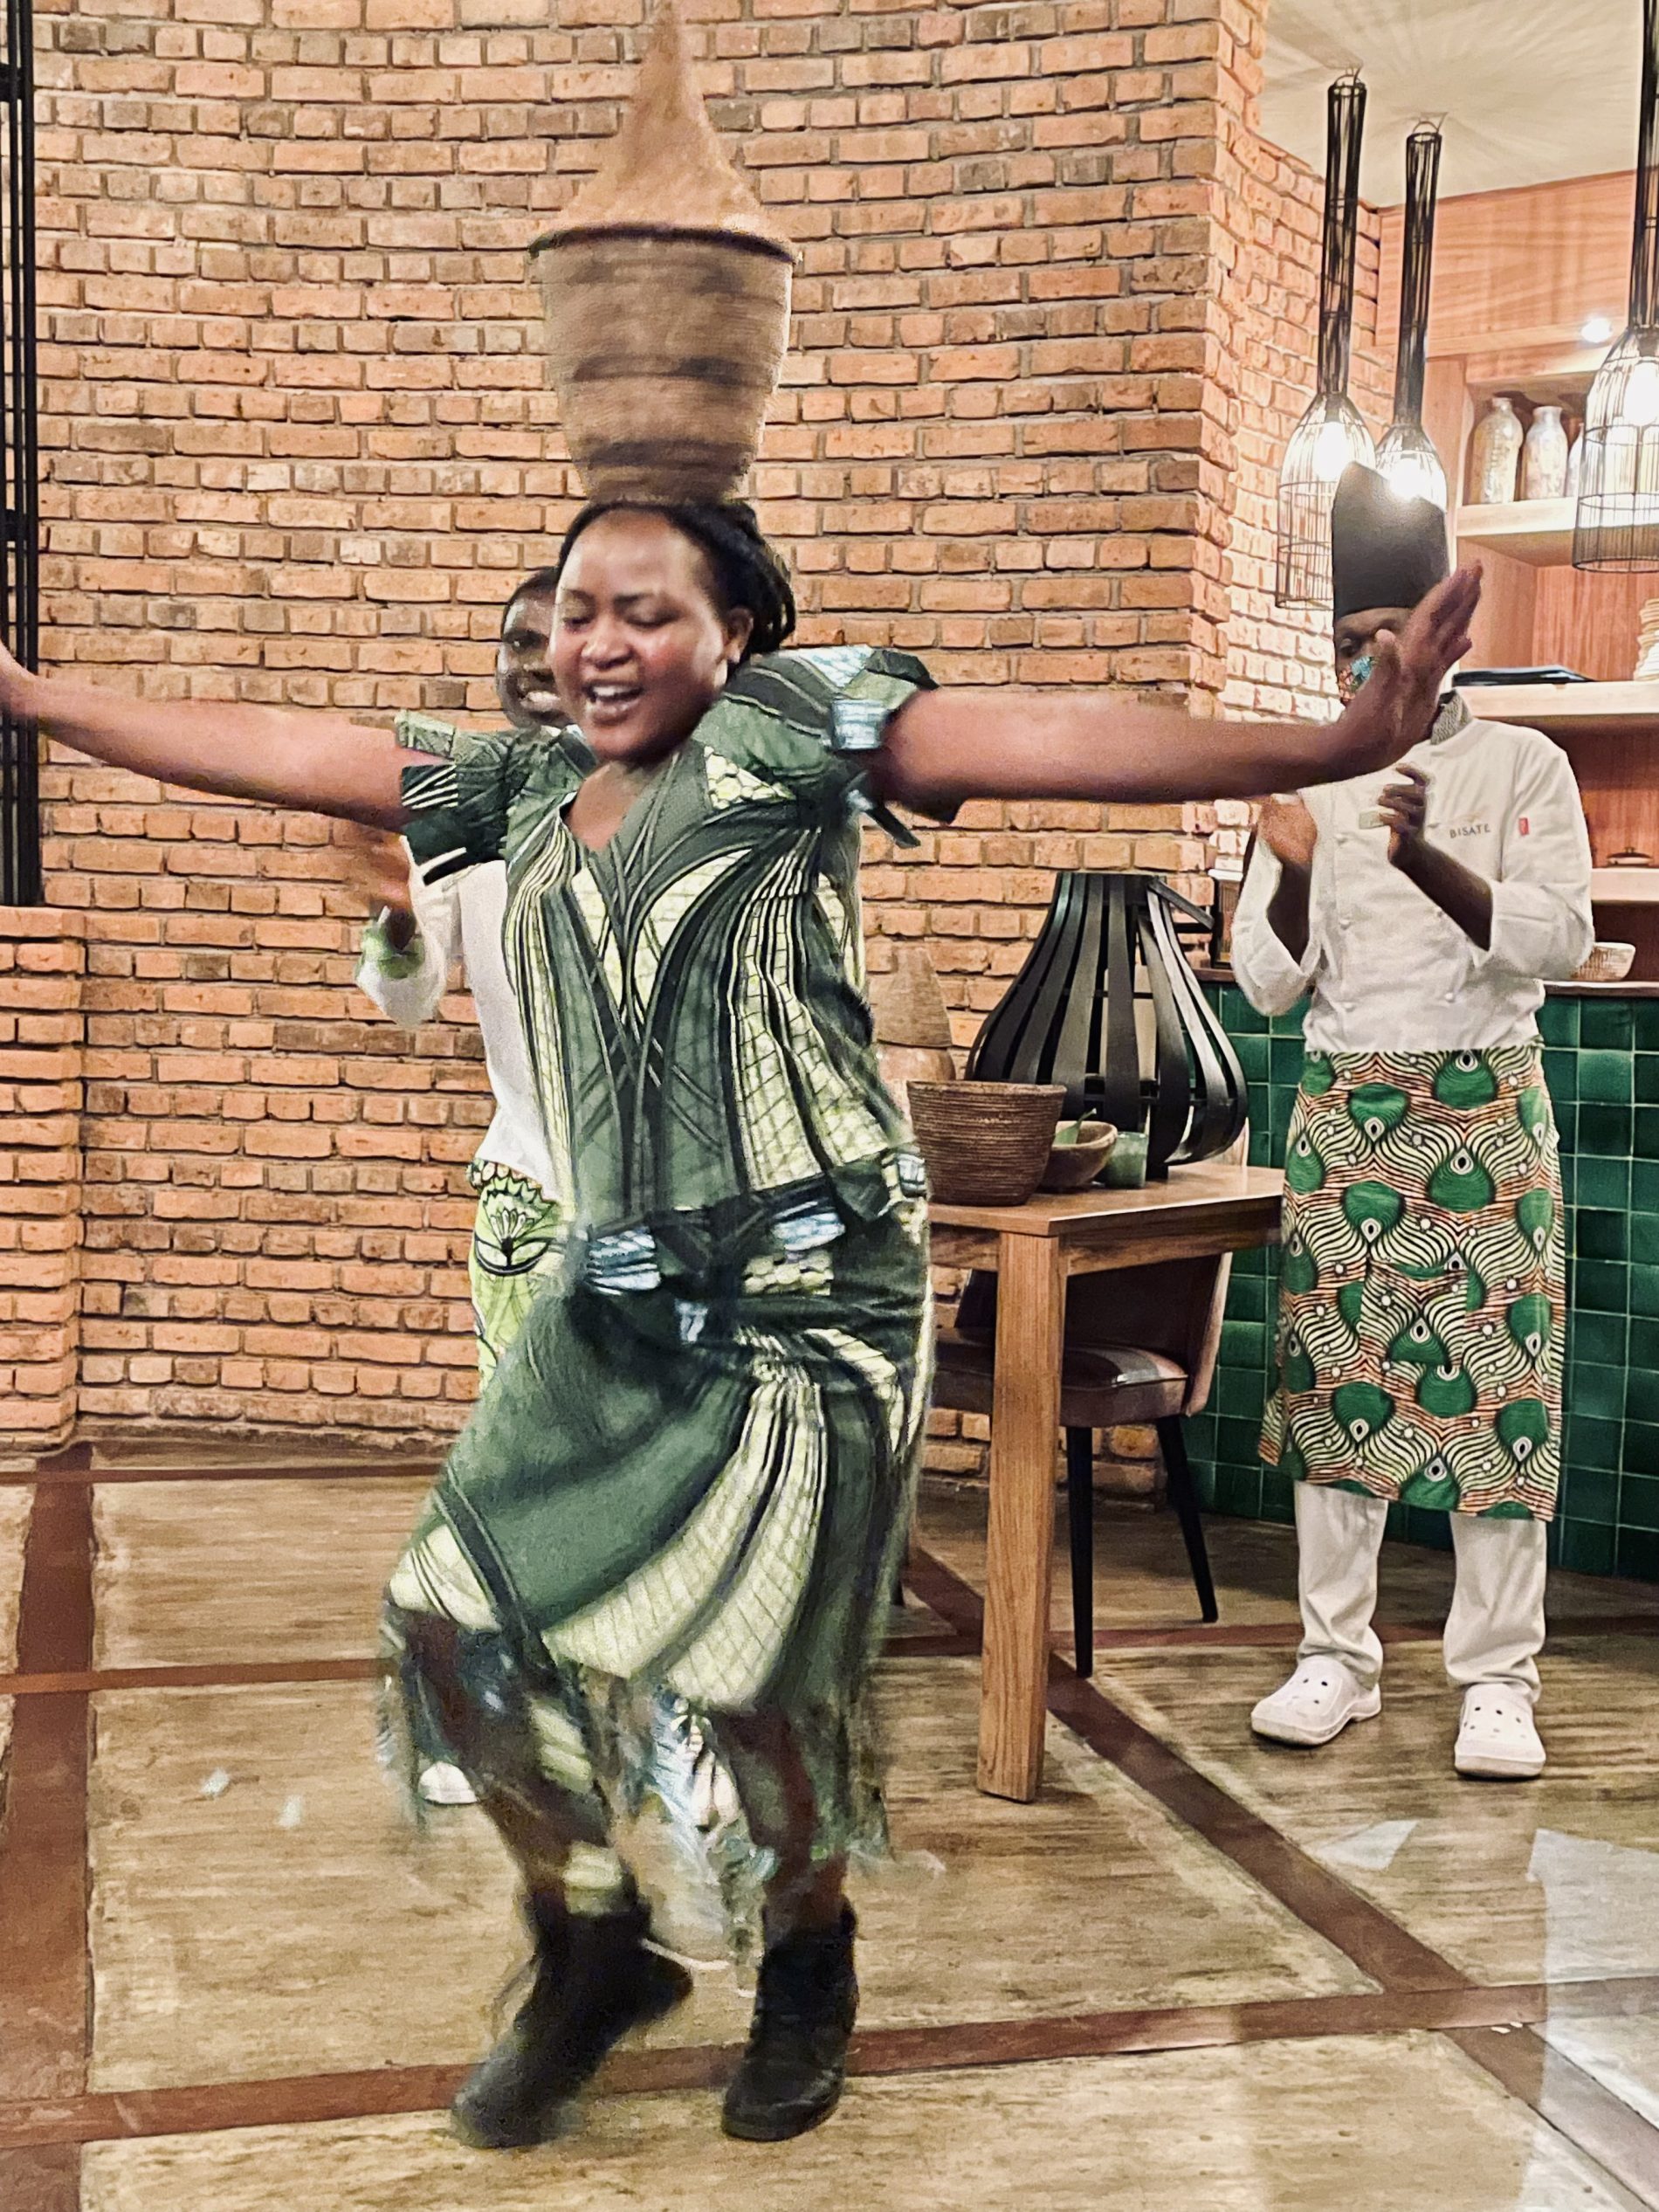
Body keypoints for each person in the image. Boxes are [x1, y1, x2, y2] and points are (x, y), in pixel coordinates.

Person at [1235, 463, 1592, 1783]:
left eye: (1393, 633)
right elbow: (1269, 983)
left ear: (1447, 634)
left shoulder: (1525, 763)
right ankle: (1336, 1655)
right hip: (1347, 1113)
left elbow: (1560, 936)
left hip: (1484, 1106)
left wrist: (1429, 856)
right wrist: (1289, 875)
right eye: (1352, 640)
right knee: (1337, 1399)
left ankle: (1498, 1679)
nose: (1372, 660)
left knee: (1501, 1404)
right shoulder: (1312, 778)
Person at [352, 568, 581, 1809]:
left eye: (559, 636)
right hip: (529, 1200)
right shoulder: (457, 813)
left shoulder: (664, 804)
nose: (533, 661)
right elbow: (405, 1000)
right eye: (514, 641)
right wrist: (397, 915)